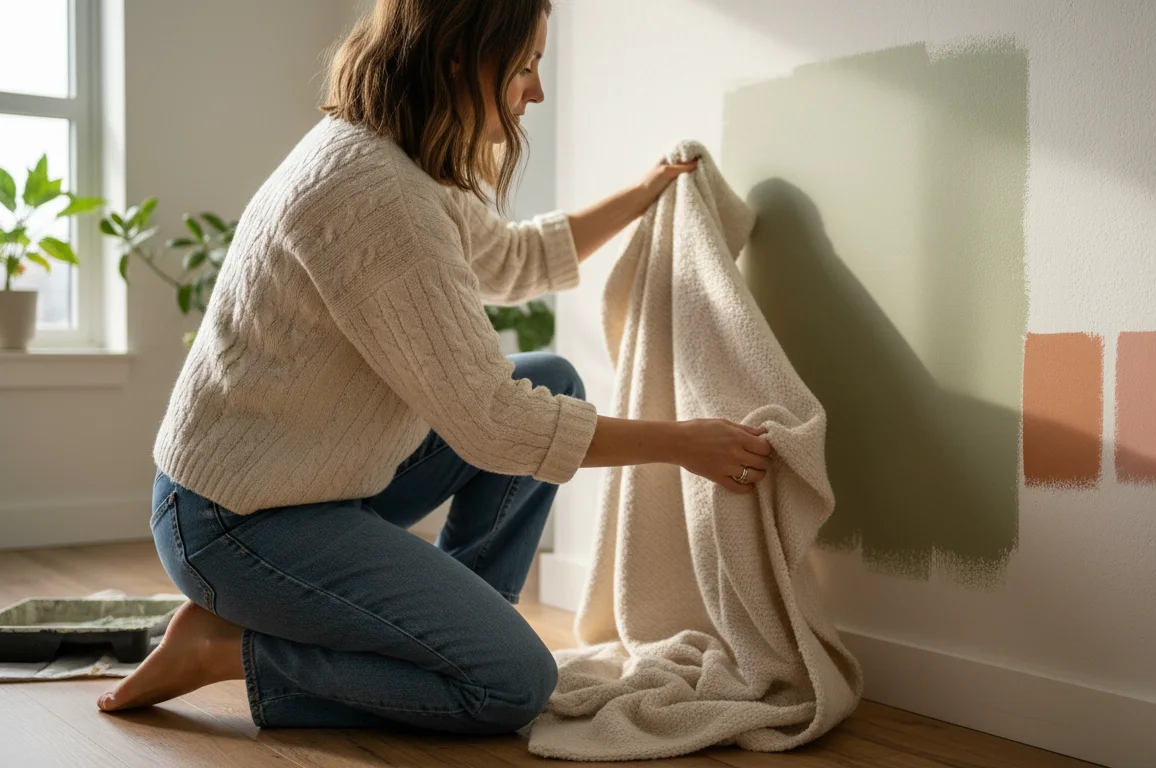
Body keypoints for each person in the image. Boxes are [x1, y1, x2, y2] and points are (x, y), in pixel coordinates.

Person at [97, 0, 772, 734]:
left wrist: (646, 195)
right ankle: (224, 652)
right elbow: (492, 423)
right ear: (459, 59)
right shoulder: (375, 196)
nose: (535, 92)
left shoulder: (402, 159)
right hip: (236, 523)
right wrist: (683, 444)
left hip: (312, 476)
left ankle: (457, 630)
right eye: (523, 68)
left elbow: (511, 259)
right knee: (512, 686)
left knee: (551, 378)